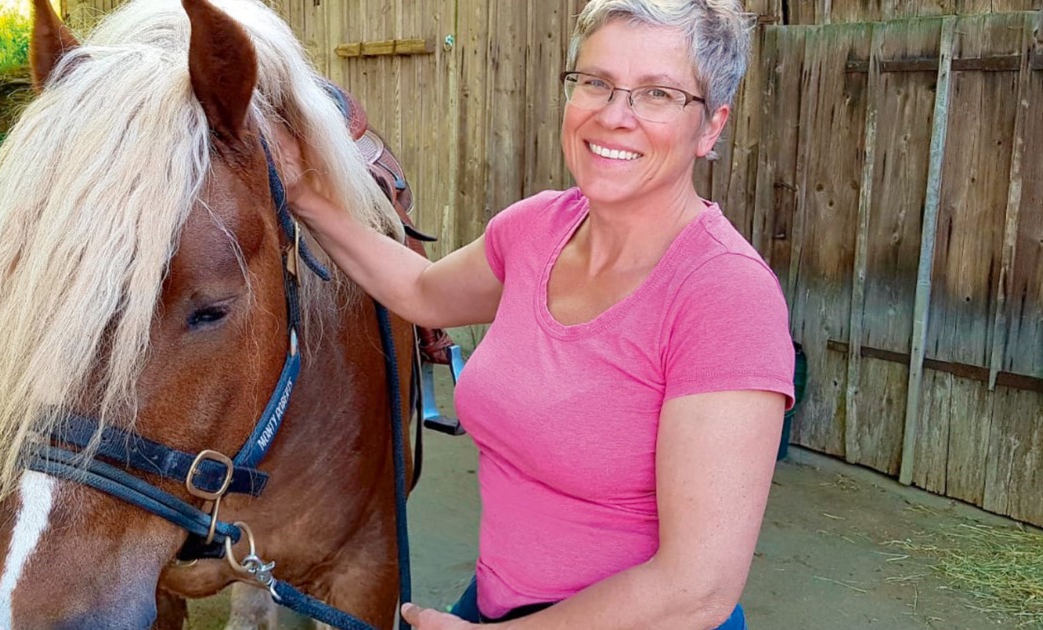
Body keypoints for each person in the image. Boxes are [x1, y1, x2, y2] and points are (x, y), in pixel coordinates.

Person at [272, 1, 794, 627]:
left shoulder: (726, 295)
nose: (613, 115)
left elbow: (697, 588)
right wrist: (304, 193)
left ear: (710, 128)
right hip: (499, 606)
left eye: (657, 93)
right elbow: (422, 292)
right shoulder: (537, 228)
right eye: (595, 82)